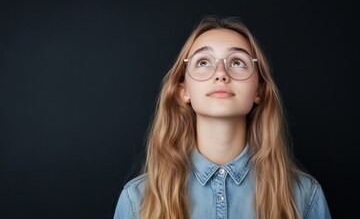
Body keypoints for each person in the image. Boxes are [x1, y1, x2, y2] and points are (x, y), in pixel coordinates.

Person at [113, 16, 331, 219]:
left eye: (237, 62)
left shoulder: (304, 196)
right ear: (183, 90)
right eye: (203, 62)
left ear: (259, 90)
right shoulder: (137, 199)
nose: (221, 73)